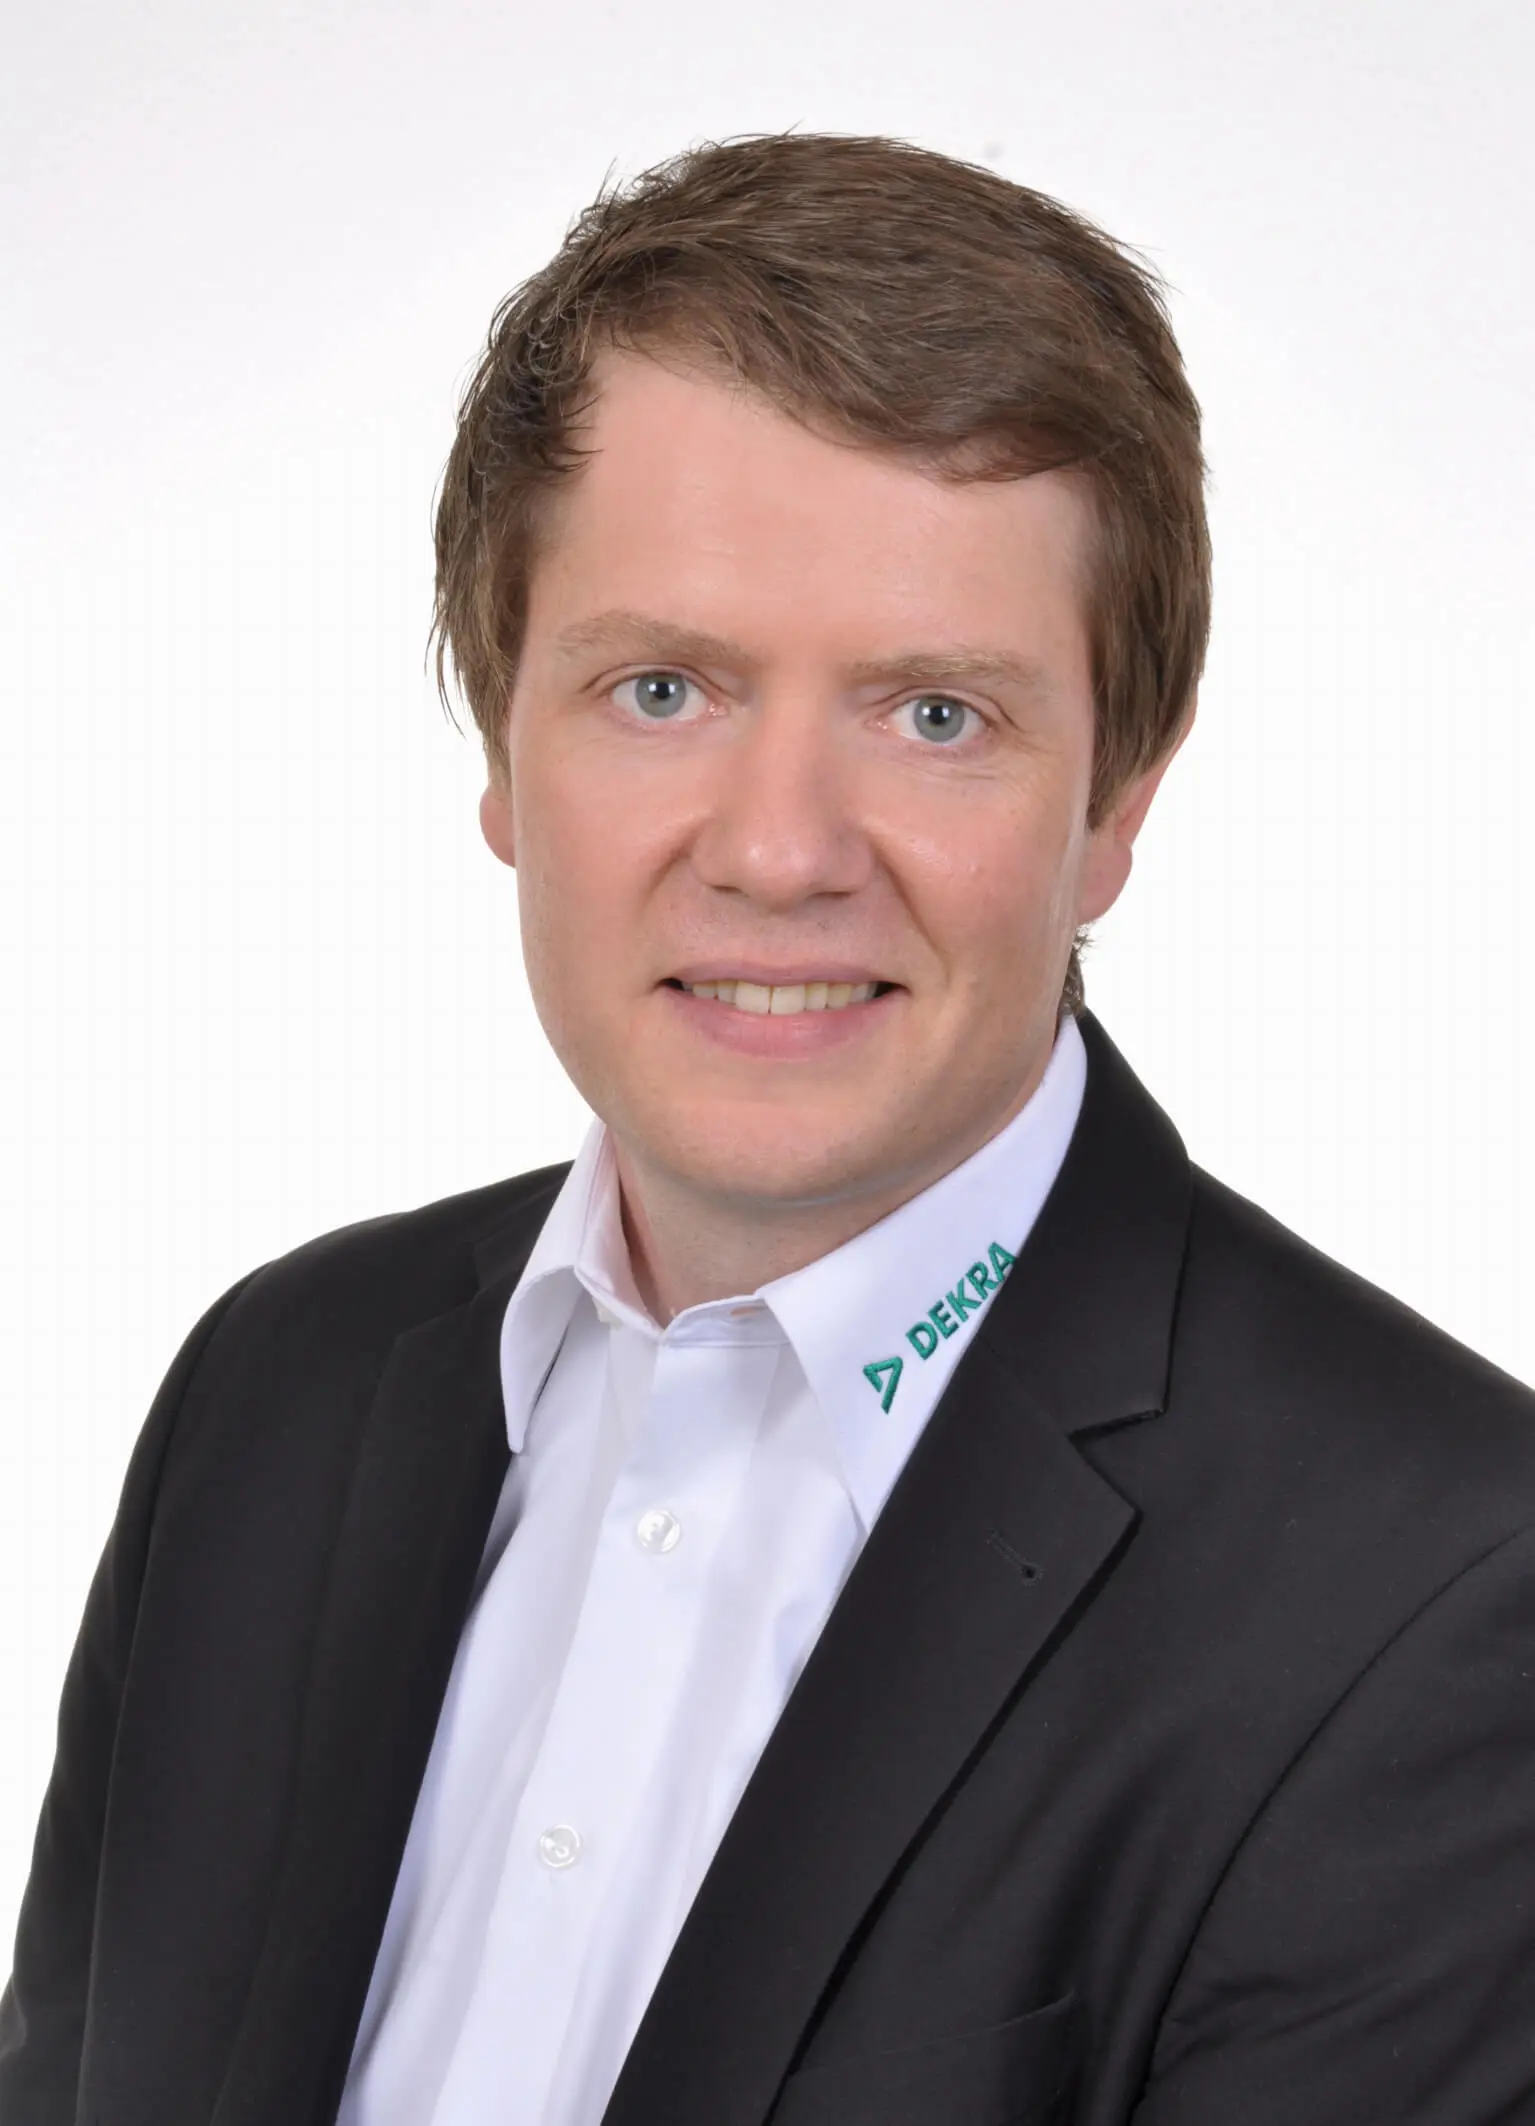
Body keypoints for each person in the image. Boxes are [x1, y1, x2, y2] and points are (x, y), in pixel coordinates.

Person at [3, 128, 1533, 2126]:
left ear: (1114, 805)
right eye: (662, 689)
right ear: (501, 744)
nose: (779, 850)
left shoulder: (1443, 1600)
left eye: (933, 714)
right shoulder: (275, 1388)